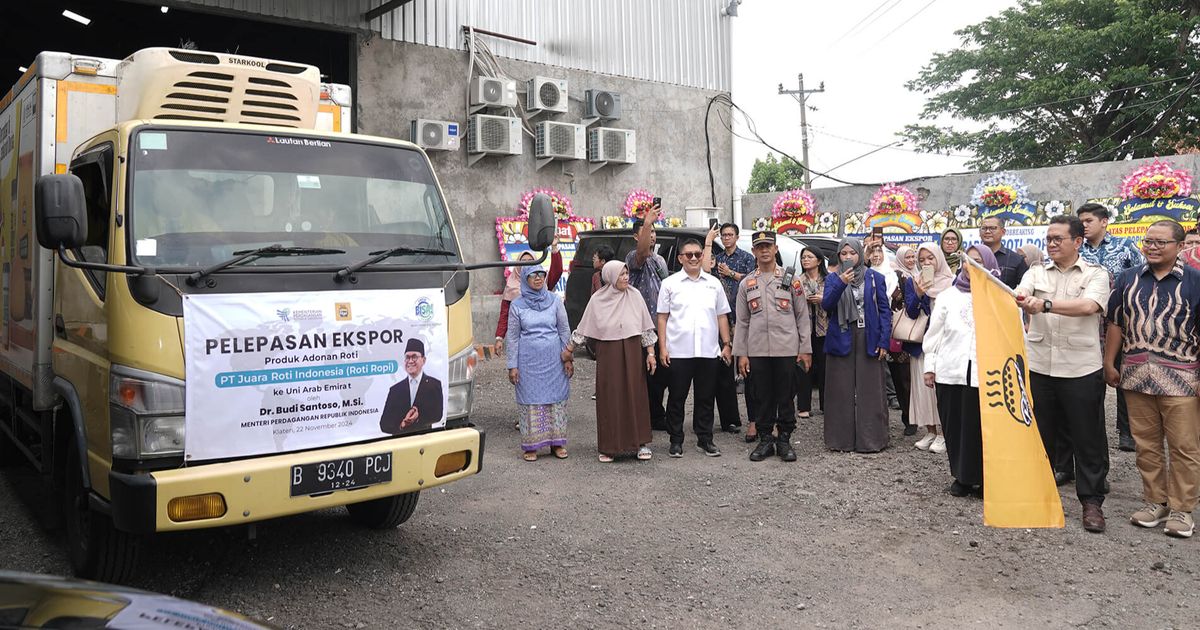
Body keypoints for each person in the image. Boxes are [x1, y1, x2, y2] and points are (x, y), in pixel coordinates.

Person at [1014, 215, 1111, 533]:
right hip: (1041, 365)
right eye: (1048, 239)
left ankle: (1092, 502)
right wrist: (1020, 298)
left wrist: (1043, 305)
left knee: (1088, 437)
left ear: (1077, 242)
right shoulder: (1036, 271)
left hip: (1080, 367)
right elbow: (1020, 292)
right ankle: (1040, 496)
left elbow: (1088, 307)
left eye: (1058, 238)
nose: (1052, 244)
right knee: (1042, 434)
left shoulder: (1096, 274)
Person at [1104, 220, 1200, 539]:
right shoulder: (1128, 278)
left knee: (1184, 446)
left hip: (1182, 378)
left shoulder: (1195, 282)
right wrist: (1109, 362)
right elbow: (1116, 322)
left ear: (1180, 245)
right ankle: (1154, 501)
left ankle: (1182, 509)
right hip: (1136, 375)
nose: (1153, 247)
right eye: (1149, 241)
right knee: (1146, 444)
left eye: (1161, 242)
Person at [923, 244, 1002, 497]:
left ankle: (985, 479)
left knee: (982, 428)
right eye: (968, 260)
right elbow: (934, 335)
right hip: (950, 371)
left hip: (986, 374)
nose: (972, 265)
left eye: (978, 260)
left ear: (988, 264)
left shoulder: (999, 295)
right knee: (954, 426)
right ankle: (961, 477)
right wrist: (930, 366)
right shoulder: (948, 296)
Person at [566, 261, 658, 462]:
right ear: (610, 277)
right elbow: (584, 328)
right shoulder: (598, 300)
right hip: (609, 352)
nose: (625, 277)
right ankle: (609, 446)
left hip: (633, 351)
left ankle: (640, 442)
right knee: (610, 396)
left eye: (626, 273)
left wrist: (651, 353)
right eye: (621, 274)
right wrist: (569, 350)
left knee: (636, 394)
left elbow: (645, 328)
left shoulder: (635, 295)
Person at [733, 231, 812, 462]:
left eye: (768, 246)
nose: (764, 250)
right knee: (762, 396)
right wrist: (742, 355)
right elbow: (743, 321)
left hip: (786, 349)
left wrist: (805, 349)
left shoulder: (791, 279)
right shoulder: (747, 283)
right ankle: (766, 439)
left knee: (786, 396)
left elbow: (802, 316)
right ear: (754, 251)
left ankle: (785, 438)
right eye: (760, 247)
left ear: (776, 249)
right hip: (757, 351)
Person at [657, 238, 733, 458]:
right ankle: (676, 440)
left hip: (708, 351)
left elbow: (721, 315)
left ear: (703, 256)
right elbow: (662, 318)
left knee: (706, 397)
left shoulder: (713, 283)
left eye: (697, 254)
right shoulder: (670, 284)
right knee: (676, 397)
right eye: (688, 254)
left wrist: (726, 344)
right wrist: (662, 347)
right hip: (679, 350)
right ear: (681, 258)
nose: (693, 258)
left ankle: (705, 439)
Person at [1078, 202, 1142, 454]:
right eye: (1080, 221)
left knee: (1122, 373)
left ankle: (1127, 431)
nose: (1083, 225)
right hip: (1087, 321)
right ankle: (1091, 432)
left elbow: (1139, 277)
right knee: (1091, 376)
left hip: (1121, 321)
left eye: (1088, 221)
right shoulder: (1076, 248)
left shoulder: (1125, 247)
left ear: (1104, 221)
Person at [822, 238, 892, 453]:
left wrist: (883, 341)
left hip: (868, 335)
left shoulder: (874, 277)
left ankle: (872, 440)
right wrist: (842, 282)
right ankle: (840, 440)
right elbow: (826, 305)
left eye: (852, 253)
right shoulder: (833, 278)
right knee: (839, 390)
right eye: (843, 254)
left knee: (871, 390)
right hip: (841, 335)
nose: (848, 257)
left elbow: (885, 312)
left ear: (860, 254)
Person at [505, 266, 573, 461]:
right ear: (525, 278)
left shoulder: (554, 301)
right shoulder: (517, 305)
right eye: (533, 275)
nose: (538, 278)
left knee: (556, 400)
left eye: (541, 274)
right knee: (531, 403)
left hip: (554, 361)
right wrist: (512, 365)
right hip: (528, 363)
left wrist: (568, 358)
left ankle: (557, 444)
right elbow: (513, 338)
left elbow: (564, 330)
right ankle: (531, 446)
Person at [626, 205, 671, 431]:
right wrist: (646, 222)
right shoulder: (634, 256)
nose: (652, 234)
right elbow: (642, 253)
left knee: (661, 375)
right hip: (640, 327)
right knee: (644, 374)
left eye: (653, 231)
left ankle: (657, 413)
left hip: (660, 325)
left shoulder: (660, 260)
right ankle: (645, 416)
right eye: (647, 231)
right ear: (637, 236)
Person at [907, 243, 955, 453]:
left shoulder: (952, 282)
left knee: (939, 388)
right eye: (922, 259)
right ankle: (930, 431)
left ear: (939, 259)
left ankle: (945, 433)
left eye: (930, 258)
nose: (926, 263)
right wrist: (918, 293)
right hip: (921, 343)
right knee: (921, 388)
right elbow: (910, 312)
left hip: (945, 343)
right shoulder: (916, 281)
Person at [714, 222, 757, 435]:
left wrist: (731, 274)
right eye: (724, 235)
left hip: (742, 318)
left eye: (730, 234)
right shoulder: (717, 258)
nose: (727, 238)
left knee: (745, 365)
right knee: (724, 368)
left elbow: (751, 281)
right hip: (721, 318)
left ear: (737, 237)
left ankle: (754, 418)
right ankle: (729, 419)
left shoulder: (747, 258)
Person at [876, 245, 915, 435]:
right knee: (885, 379)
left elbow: (911, 305)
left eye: (879, 254)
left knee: (904, 378)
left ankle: (910, 419)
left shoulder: (901, 278)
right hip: (880, 333)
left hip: (900, 334)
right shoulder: (871, 276)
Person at [495, 245, 563, 353]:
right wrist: (499, 338)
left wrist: (554, 248)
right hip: (523, 343)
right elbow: (504, 315)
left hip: (546, 341)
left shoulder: (541, 283)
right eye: (523, 262)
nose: (526, 265)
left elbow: (557, 271)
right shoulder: (511, 287)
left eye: (530, 261)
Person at [379, 338, 444, 434]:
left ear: (423, 360)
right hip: (400, 443)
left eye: (414, 357)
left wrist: (417, 418)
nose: (410, 361)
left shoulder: (434, 385)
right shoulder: (395, 390)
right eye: (407, 357)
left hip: (425, 440)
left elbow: (437, 415)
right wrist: (402, 425)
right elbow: (384, 424)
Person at [795, 248, 829, 419]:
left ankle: (826, 404)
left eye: (809, 257)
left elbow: (836, 300)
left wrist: (823, 299)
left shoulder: (829, 279)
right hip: (804, 329)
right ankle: (803, 406)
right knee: (803, 367)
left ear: (819, 260)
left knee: (825, 367)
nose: (805, 260)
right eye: (803, 257)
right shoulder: (797, 280)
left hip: (825, 328)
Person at [979, 216, 1029, 289]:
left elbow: (1025, 287)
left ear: (1003, 232)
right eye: (984, 228)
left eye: (993, 228)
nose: (987, 231)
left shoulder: (1016, 259)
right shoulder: (971, 257)